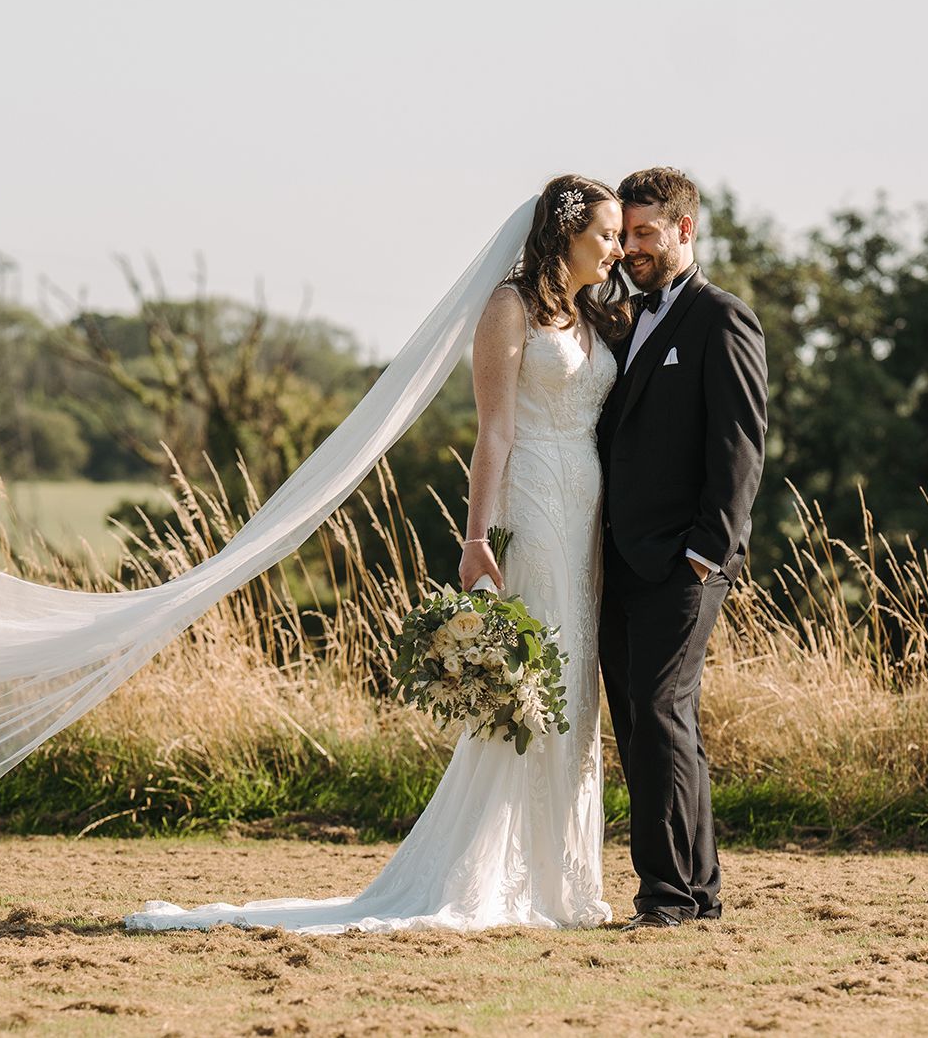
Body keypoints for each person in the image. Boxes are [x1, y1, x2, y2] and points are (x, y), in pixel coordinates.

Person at [126, 175, 627, 932]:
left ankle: (566, 880)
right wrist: (476, 537)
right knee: (538, 685)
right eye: (606, 233)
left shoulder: (596, 314)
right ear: (565, 234)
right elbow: (494, 430)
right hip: (536, 504)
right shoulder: (508, 306)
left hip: (588, 513)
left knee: (579, 689)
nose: (617, 247)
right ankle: (514, 881)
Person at [595, 167, 768, 930]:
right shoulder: (623, 317)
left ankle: (663, 898)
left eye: (643, 233)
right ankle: (699, 892)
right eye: (623, 234)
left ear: (684, 230)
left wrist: (708, 552)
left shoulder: (721, 319)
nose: (629, 247)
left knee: (659, 712)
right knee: (650, 722)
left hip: (683, 562)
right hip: (615, 561)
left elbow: (740, 447)